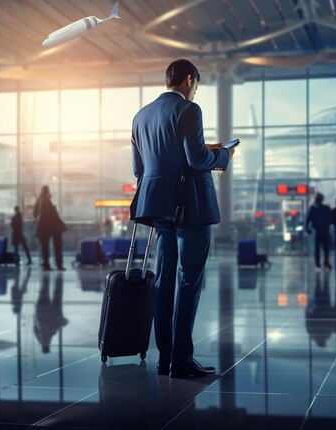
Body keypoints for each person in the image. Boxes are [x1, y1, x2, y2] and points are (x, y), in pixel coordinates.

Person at [130, 59, 234, 378]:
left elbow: (139, 169)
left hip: (158, 207)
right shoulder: (190, 110)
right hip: (190, 207)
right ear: (189, 80)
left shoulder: (141, 116)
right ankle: (182, 360)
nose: (195, 91)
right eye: (196, 85)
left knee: (163, 281)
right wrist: (224, 154)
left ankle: (165, 358)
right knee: (189, 281)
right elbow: (197, 158)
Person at [33, 186, 66, 271]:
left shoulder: (39, 200)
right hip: (51, 227)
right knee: (57, 247)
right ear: (48, 192)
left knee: (44, 247)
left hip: (42, 227)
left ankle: (46, 264)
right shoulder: (46, 201)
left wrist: (37, 221)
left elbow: (35, 213)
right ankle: (58, 265)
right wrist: (62, 225)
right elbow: (54, 215)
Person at [305, 193, 332, 270]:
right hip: (325, 230)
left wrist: (307, 228)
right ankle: (326, 262)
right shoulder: (326, 208)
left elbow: (308, 219)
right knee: (326, 248)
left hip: (317, 230)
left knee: (317, 248)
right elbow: (330, 218)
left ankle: (318, 264)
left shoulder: (313, 208)